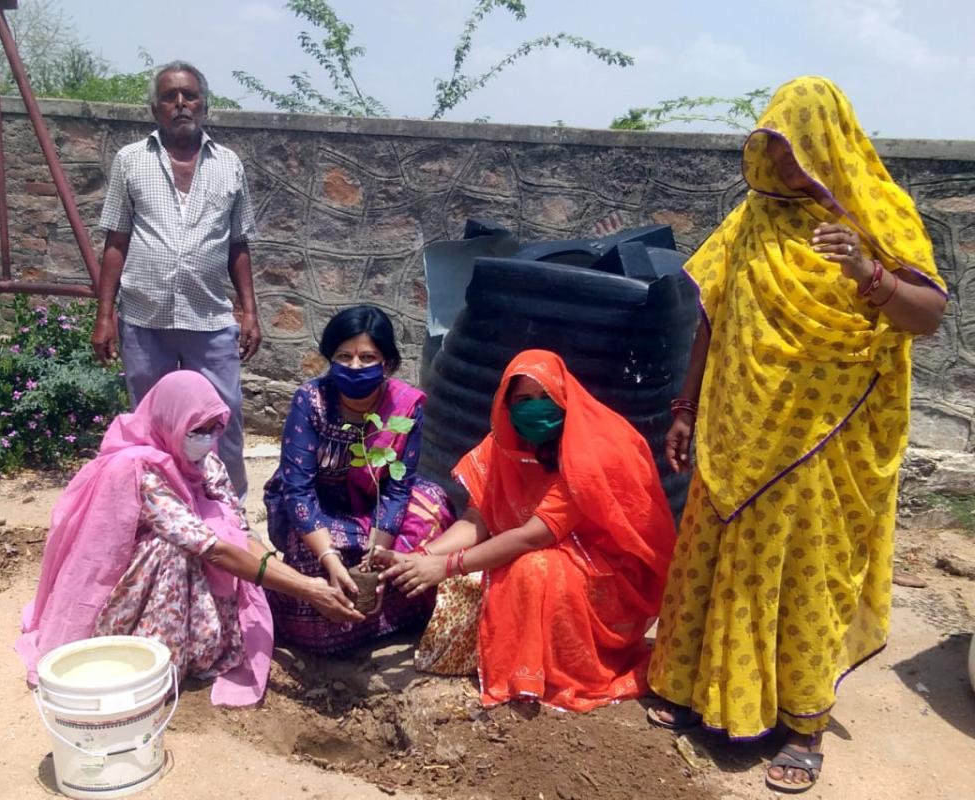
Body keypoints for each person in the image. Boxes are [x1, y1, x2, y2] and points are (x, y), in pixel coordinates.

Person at [646, 77, 948, 793]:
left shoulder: (877, 213)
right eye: (772, 147)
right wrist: (686, 406)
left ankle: (803, 723)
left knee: (807, 566)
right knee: (717, 555)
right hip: (739, 424)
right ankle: (694, 689)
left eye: (795, 148)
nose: (784, 164)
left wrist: (868, 271)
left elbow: (928, 316)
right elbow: (713, 315)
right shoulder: (751, 219)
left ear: (828, 143)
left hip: (825, 437)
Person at [15, 371, 362, 705]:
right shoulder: (139, 468)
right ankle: (153, 658)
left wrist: (309, 579)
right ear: (170, 420)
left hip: (200, 565)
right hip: (130, 583)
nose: (208, 438)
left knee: (223, 541)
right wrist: (307, 590)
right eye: (198, 430)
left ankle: (199, 647)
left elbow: (239, 532)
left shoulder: (207, 464)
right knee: (171, 550)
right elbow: (212, 548)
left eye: (214, 428)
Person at [378, 349, 677, 712]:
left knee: (531, 570)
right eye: (523, 400)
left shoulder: (587, 452)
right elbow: (477, 520)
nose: (535, 408)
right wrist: (420, 557)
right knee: (474, 579)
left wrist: (447, 565)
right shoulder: (504, 444)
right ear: (507, 404)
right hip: (554, 549)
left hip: (610, 569)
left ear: (563, 397)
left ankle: (559, 671)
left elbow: (533, 535)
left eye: (544, 397)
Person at [92, 60, 259, 498]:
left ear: (205, 105)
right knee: (150, 419)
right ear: (155, 109)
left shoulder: (229, 164)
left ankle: (230, 508)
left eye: (190, 96)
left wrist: (250, 311)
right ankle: (159, 505)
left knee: (224, 415)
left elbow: (239, 243)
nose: (181, 104)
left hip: (209, 317)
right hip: (145, 318)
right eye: (169, 97)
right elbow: (116, 240)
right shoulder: (131, 161)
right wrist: (104, 316)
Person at [263, 305, 456, 651]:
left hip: (374, 505)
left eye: (367, 357)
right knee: (329, 559)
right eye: (344, 356)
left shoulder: (405, 408)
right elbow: (298, 491)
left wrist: (378, 554)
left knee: (434, 509)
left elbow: (398, 489)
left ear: (387, 363)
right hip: (315, 511)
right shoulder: (311, 401)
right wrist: (328, 557)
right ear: (330, 358)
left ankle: (393, 599)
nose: (354, 366)